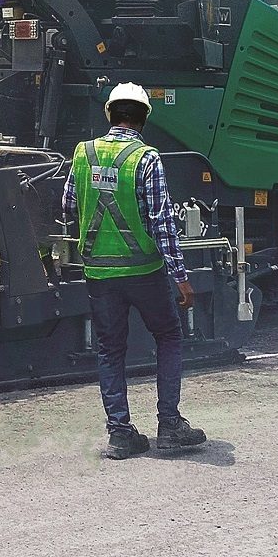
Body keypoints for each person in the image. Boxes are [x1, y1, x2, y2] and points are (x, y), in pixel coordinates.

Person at [63, 83, 207, 459]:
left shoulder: (83, 153)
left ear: (109, 114)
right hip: (144, 271)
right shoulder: (146, 158)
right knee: (169, 336)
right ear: (144, 119)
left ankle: (120, 434)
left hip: (99, 274)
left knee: (110, 350)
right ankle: (170, 425)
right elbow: (161, 221)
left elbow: (66, 206)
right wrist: (180, 277)